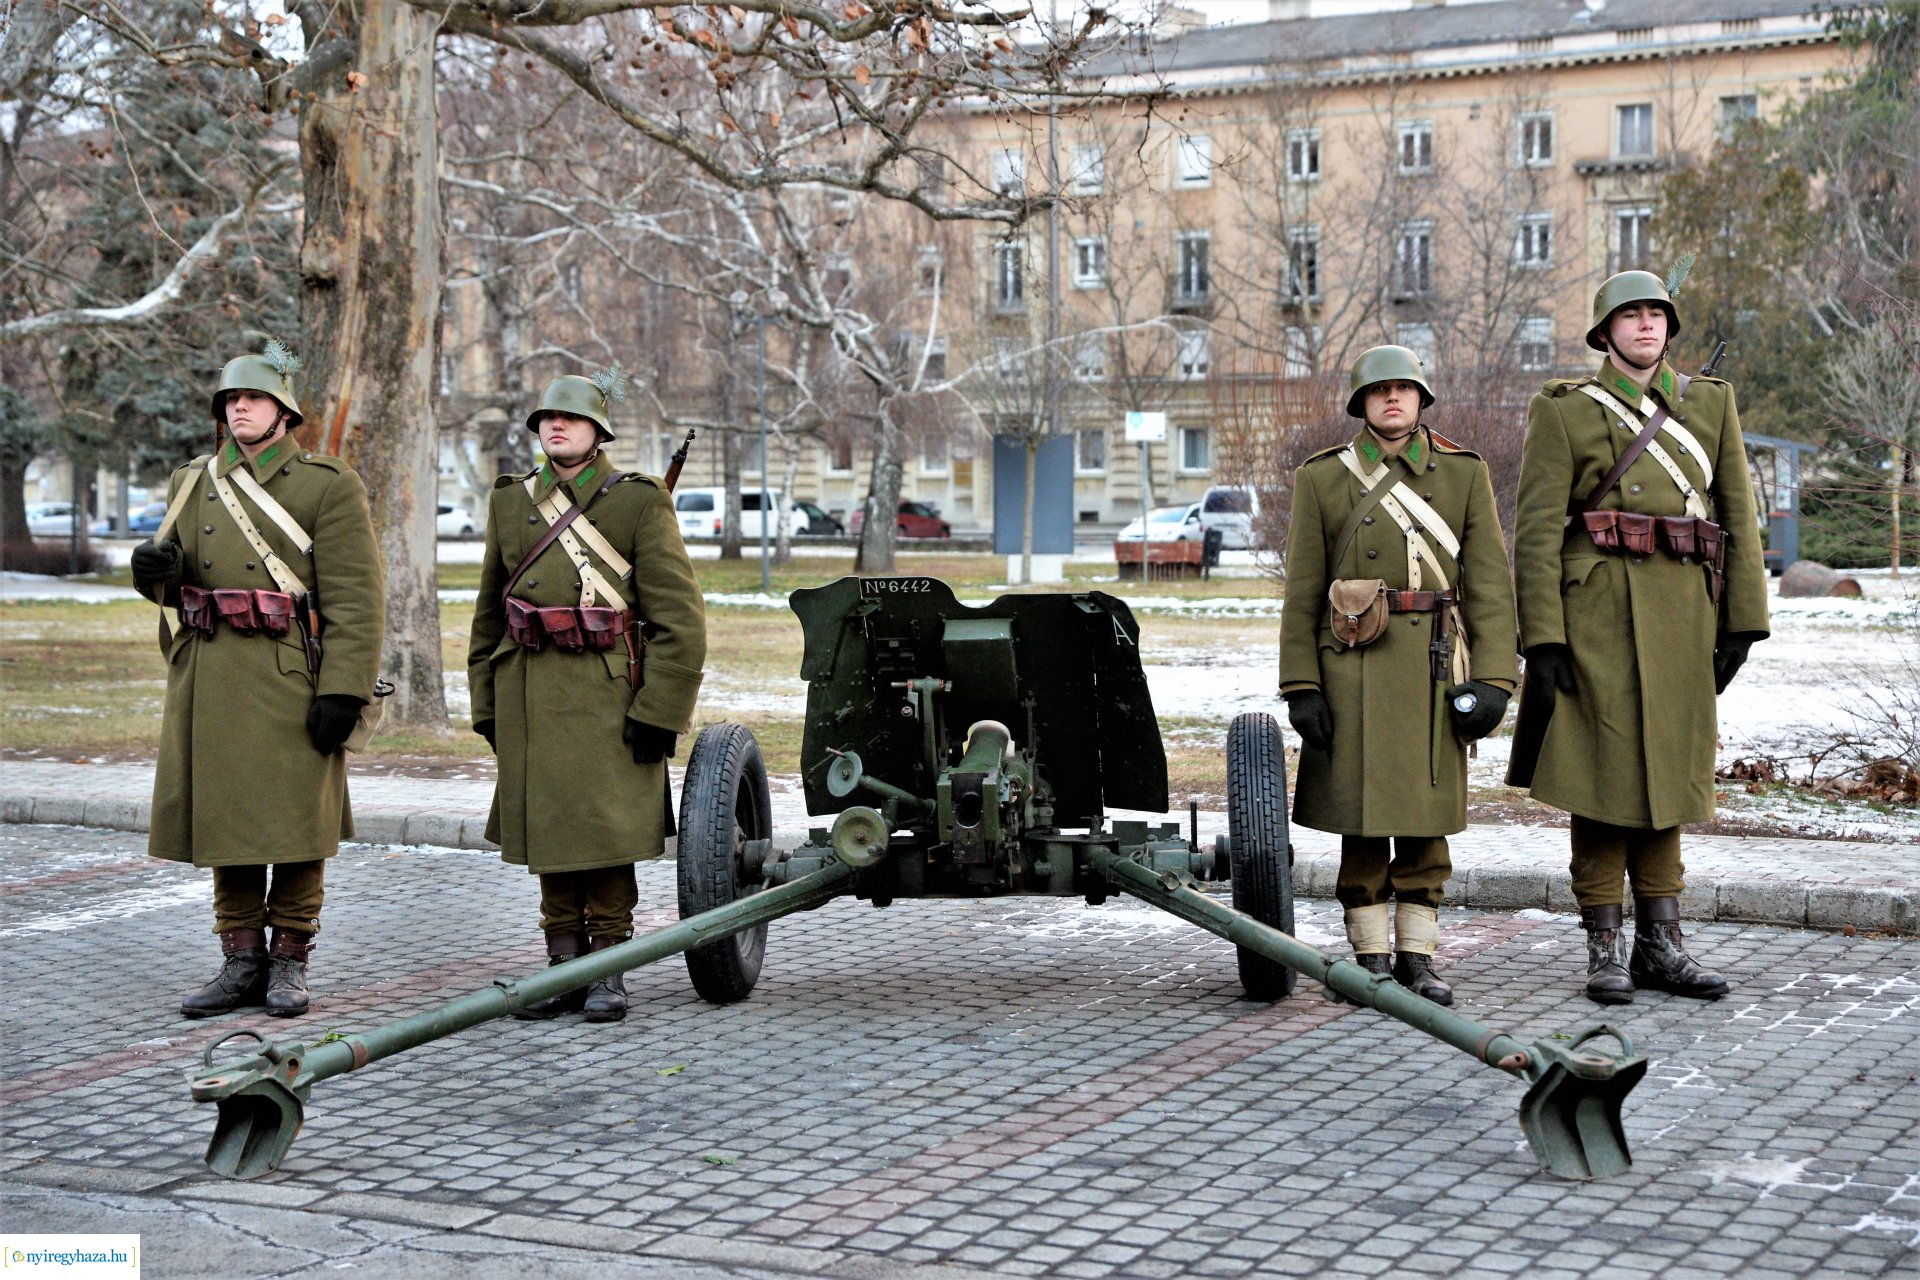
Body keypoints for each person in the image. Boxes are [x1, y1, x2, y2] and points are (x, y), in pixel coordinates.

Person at [1507, 269, 1768, 1004]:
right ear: (1605, 332)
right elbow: (1537, 532)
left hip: (1684, 617)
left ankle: (1662, 943)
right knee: (1600, 781)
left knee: (1669, 780)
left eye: (1657, 313)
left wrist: (1742, 625)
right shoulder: (1564, 409)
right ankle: (1605, 948)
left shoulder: (1709, 403)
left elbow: (1737, 516)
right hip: (1596, 620)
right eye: (1631, 315)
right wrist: (1543, 638)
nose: (1647, 324)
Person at [130, 342, 385, 1019]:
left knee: (299, 823)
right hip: (211, 674)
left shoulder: (327, 484)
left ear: (284, 411)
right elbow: (179, 581)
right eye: (230, 400)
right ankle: (241, 959)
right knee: (227, 819)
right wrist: (153, 576)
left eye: (253, 398)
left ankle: (290, 960)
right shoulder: (193, 481)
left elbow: (357, 600)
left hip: (292, 673)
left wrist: (345, 689)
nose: (239, 409)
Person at [1279, 346, 1518, 1005]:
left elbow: (1490, 585)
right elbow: (1302, 593)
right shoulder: (1323, 478)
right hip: (1350, 668)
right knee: (1361, 822)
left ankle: (1418, 957)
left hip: (1434, 668)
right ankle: (1369, 958)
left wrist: (1495, 678)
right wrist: (1302, 685)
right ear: (1361, 402)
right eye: (1379, 389)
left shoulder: (1463, 473)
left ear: (1421, 399)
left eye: (1404, 389)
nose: (1392, 398)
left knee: (1424, 818)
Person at [468, 369, 706, 1023]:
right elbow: (489, 613)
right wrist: (486, 703)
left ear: (598, 431)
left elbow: (680, 621)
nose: (556, 425)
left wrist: (660, 712)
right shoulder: (511, 500)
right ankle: (562, 964)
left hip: (607, 697)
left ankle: (606, 969)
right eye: (547, 418)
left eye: (570, 418)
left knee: (601, 837)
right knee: (550, 834)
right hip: (529, 690)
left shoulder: (638, 501)